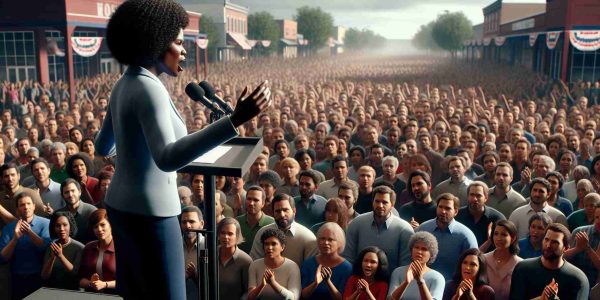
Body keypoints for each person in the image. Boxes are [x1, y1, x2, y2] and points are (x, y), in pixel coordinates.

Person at [95, 0, 271, 297]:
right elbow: (167, 158)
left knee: (135, 291)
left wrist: (134, 160)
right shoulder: (150, 89)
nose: (185, 50)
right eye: (178, 42)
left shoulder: (124, 83)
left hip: (120, 205)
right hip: (151, 212)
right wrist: (235, 120)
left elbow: (103, 144)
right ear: (155, 43)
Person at [510, 223, 589, 300]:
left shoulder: (577, 278)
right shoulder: (523, 269)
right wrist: (541, 299)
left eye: (555, 242)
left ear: (565, 248)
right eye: (546, 240)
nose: (548, 245)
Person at [344, 185, 414, 271]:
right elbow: (348, 258)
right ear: (372, 202)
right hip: (359, 279)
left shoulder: (404, 229)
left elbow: (405, 266)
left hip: (391, 281)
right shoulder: (357, 223)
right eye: (377, 201)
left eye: (384, 202)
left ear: (392, 204)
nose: (380, 205)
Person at [0, 192, 51, 299]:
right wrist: (15, 239)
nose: (26, 207)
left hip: (40, 277)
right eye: (22, 205)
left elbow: (45, 248)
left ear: (34, 206)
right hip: (16, 279)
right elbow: (3, 258)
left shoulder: (46, 223)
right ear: (17, 209)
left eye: (28, 204)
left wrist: (29, 232)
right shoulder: (9, 228)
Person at [416, 193, 478, 279]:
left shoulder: (466, 235)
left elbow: (473, 265)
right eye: (440, 207)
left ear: (456, 211)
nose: (443, 211)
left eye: (448, 208)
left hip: (452, 286)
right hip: (423, 281)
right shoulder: (423, 229)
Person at [250, 194, 318, 267]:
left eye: (285, 210)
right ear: (272, 213)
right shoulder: (262, 233)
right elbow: (255, 264)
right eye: (277, 211)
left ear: (294, 211)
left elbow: (310, 269)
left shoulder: (307, 237)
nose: (282, 215)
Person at [301, 222, 353, 300]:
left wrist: (328, 281)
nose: (326, 243)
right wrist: (315, 283)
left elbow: (342, 298)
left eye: (330, 239)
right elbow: (303, 296)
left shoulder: (347, 268)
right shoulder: (309, 264)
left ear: (339, 242)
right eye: (322, 238)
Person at [387, 231, 445, 300]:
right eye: (416, 247)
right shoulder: (398, 272)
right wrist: (406, 283)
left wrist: (420, 281)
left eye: (424, 249)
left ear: (431, 255)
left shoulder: (437, 277)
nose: (419, 252)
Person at [248, 228, 301, 300]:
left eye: (274, 244)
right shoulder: (255, 265)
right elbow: (250, 297)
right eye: (266, 244)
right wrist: (262, 285)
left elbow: (293, 298)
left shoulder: (292, 267)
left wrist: (273, 283)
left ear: (282, 247)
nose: (269, 247)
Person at [41, 211, 84, 290]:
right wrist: (52, 258)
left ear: (70, 226)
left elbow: (76, 274)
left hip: (73, 292)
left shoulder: (80, 248)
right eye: (58, 225)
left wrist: (61, 256)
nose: (61, 229)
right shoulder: (51, 246)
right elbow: (44, 276)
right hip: (53, 291)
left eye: (65, 225)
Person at [456, 181, 505, 248]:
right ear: (467, 196)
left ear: (486, 198)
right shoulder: (457, 216)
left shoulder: (497, 218)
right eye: (472, 195)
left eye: (478, 195)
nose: (474, 199)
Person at [78, 209, 116, 294]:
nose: (99, 229)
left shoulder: (122, 248)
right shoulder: (88, 247)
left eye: (103, 225)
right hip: (92, 296)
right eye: (95, 226)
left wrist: (105, 284)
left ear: (111, 225)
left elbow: (129, 281)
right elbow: (80, 279)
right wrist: (91, 284)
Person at [483, 220, 522, 300]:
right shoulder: (484, 259)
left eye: (504, 235)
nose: (499, 238)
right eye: (496, 234)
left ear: (513, 238)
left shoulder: (520, 264)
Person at [564, 203, 600, 288]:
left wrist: (587, 248)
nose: (599, 221)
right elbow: (563, 257)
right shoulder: (580, 231)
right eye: (597, 217)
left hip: (594, 286)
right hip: (573, 281)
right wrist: (577, 249)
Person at [217, 217, 253, 300]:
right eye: (223, 233)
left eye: (230, 234)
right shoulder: (210, 255)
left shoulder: (245, 261)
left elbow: (248, 291)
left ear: (237, 237)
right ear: (218, 235)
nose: (226, 237)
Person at [55, 179, 98, 244]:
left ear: (79, 192)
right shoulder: (59, 214)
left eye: (73, 191)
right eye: (66, 192)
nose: (70, 195)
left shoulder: (92, 211)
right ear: (62, 195)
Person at [236, 186, 275, 253]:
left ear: (263, 203)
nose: (251, 203)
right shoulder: (237, 222)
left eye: (256, 200)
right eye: (249, 199)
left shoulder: (272, 223)